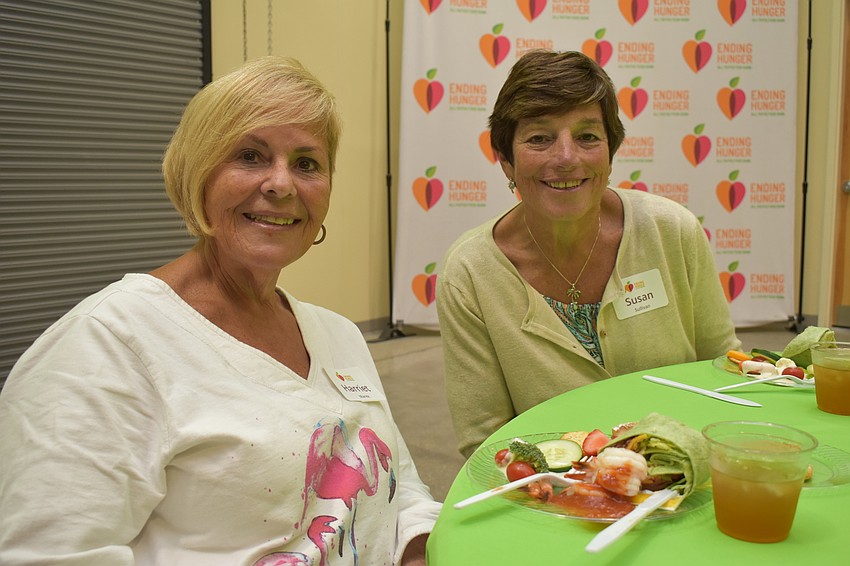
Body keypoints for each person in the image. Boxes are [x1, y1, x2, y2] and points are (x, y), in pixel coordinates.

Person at [0, 56, 439, 565]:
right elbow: (47, 555)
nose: (281, 184)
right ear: (196, 175)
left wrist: (416, 548)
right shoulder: (106, 345)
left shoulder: (338, 335)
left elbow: (401, 488)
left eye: (307, 163)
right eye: (250, 156)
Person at [437, 50, 741, 458]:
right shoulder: (470, 274)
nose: (566, 158)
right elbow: (486, 443)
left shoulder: (672, 232)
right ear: (506, 160)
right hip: (554, 497)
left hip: (686, 475)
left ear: (610, 153)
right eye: (540, 138)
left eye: (587, 136)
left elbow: (724, 374)